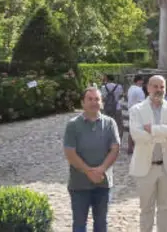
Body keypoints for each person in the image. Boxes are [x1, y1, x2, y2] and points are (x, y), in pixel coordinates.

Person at [129, 75, 167, 232]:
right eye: (155, 86)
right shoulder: (136, 110)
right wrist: (166, 133)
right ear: (148, 88)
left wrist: (153, 129)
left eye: (162, 87)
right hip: (146, 167)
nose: (159, 90)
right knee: (146, 209)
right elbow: (137, 135)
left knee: (165, 208)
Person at [64, 86, 120, 232]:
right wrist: (88, 171)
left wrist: (101, 169)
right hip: (79, 185)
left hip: (103, 184)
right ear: (83, 102)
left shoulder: (110, 123)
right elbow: (70, 153)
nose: (94, 102)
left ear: (101, 102)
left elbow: (115, 149)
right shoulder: (73, 125)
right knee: (79, 225)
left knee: (101, 224)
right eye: (90, 99)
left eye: (97, 99)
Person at [101, 74, 125, 143]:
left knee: (107, 124)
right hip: (117, 107)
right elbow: (121, 96)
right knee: (119, 125)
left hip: (107, 108)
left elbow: (103, 98)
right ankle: (118, 140)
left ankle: (108, 140)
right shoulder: (119, 86)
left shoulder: (103, 87)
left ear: (107, 79)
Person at [127, 75, 147, 153]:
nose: (142, 82)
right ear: (138, 81)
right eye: (142, 81)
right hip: (137, 112)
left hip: (131, 110)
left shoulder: (130, 88)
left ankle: (130, 147)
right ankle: (137, 147)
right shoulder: (139, 90)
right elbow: (141, 103)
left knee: (131, 129)